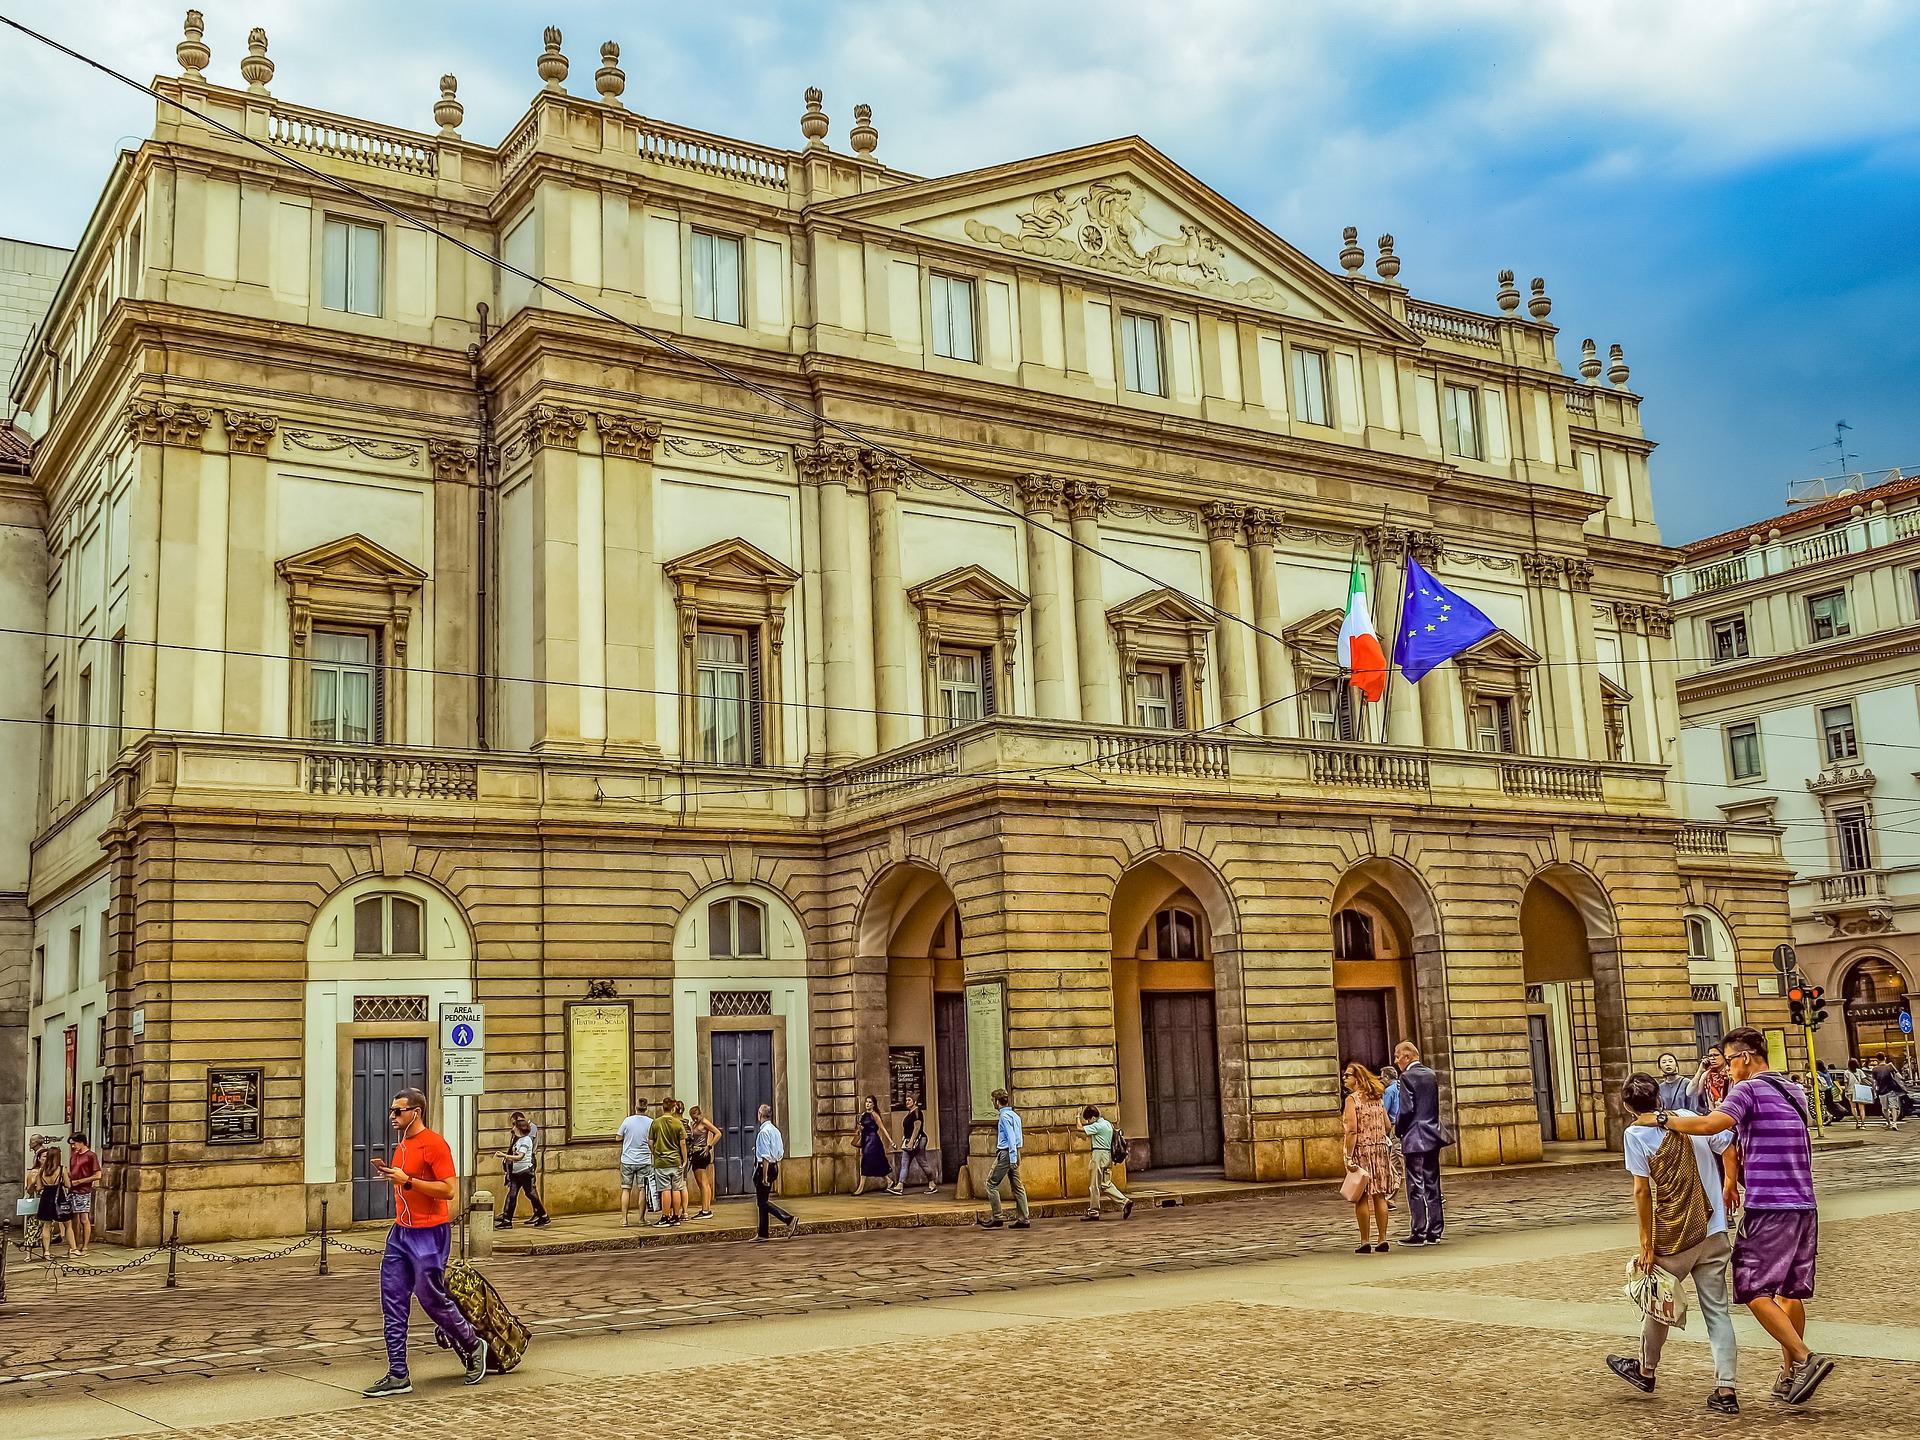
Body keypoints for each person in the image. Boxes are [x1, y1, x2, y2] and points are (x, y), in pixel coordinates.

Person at [1661, 1027, 1833, 1407]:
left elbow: (1710, 1125)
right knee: (1788, 1291)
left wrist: (1663, 1120)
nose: (1727, 1070)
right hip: (1804, 1204)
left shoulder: (1748, 1089)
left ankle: (1805, 1359)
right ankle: (1789, 1376)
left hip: (1769, 1205)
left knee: (1752, 1288)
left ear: (1745, 1057)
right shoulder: (1795, 1091)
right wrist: (1732, 1179)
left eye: (1729, 1061)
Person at [1604, 1071, 1740, 1415]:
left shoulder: (1635, 1135)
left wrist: (1647, 1244)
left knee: (1659, 1301)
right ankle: (1726, 1389)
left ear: (1626, 1106)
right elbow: (1728, 1146)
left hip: (1675, 1234)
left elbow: (1641, 1191)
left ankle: (1646, 1370)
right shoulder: (1692, 1118)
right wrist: (1728, 1186)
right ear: (1659, 1099)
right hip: (1714, 1229)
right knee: (1718, 1312)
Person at [362, 1088, 487, 1397]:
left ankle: (473, 1344)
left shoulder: (435, 1144)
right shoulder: (402, 1145)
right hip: (400, 1233)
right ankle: (398, 1374)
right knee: (392, 1302)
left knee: (431, 1299)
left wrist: (407, 1180)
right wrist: (392, 1176)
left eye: (397, 1111)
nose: (392, 1116)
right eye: (392, 1111)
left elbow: (448, 1191)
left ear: (415, 1112)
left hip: (429, 1234)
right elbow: (407, 1183)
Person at [1392, 1041, 1446, 1245]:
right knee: (1433, 1183)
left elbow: (1406, 1110)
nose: (1396, 1061)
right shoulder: (1430, 1074)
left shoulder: (1407, 1077)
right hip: (1432, 1134)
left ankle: (1418, 1231)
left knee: (1415, 1185)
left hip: (1415, 1136)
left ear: (1407, 1057)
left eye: (1398, 1057)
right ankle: (1436, 1230)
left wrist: (1398, 1129)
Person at [1341, 1064, 1393, 1253]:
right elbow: (1387, 1124)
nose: (1344, 1079)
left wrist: (1348, 1156)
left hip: (1361, 1151)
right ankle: (1382, 1238)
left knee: (1361, 1197)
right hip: (1379, 1150)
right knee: (1380, 1195)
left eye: (1348, 1075)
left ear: (1358, 1078)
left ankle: (1364, 1240)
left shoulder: (1352, 1100)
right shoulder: (1377, 1098)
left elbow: (1353, 1130)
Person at [977, 1089, 1030, 1230]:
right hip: (1015, 1152)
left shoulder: (1004, 1117)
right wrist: (1016, 1156)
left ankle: (997, 1216)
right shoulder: (1015, 1116)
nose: (992, 1103)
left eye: (992, 1100)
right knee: (1017, 1187)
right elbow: (1018, 1138)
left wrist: (1012, 1159)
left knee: (991, 1184)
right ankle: (1024, 1218)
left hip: (1007, 1153)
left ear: (997, 1101)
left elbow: (1011, 1139)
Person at [753, 1103, 799, 1241]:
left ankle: (788, 1219)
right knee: (763, 1200)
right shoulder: (775, 1131)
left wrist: (765, 1176)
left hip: (764, 1168)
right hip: (775, 1166)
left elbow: (765, 1156)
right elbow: (780, 1152)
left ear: (760, 1115)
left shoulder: (763, 1132)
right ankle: (762, 1233)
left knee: (763, 1202)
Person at [1079, 1104, 1133, 1221]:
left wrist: (1077, 1117)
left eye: (1089, 1120)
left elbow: (1080, 1128)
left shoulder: (1097, 1126)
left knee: (1094, 1185)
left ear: (1093, 1117)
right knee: (1106, 1184)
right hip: (1108, 1155)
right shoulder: (1108, 1124)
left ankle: (1093, 1212)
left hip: (1098, 1155)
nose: (1088, 1122)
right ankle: (1125, 1202)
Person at [496, 1117, 549, 1229]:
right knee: (512, 1194)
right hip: (516, 1172)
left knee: (531, 1194)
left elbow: (520, 1156)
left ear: (520, 1129)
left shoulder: (526, 1140)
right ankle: (507, 1220)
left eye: (515, 1126)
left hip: (525, 1172)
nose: (513, 1128)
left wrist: (504, 1156)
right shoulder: (518, 1139)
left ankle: (543, 1215)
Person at [651, 1095, 688, 1227]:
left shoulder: (656, 1123)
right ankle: (676, 1217)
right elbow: (682, 1143)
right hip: (676, 1160)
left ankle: (665, 1216)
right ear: (673, 1108)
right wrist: (684, 1159)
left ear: (663, 1108)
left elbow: (651, 1142)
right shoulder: (678, 1123)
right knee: (676, 1189)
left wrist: (655, 1153)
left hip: (662, 1161)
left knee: (665, 1189)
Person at [616, 1098, 653, 1227]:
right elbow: (652, 1141)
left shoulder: (628, 1121)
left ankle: (624, 1219)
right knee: (643, 1189)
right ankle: (642, 1219)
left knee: (626, 1190)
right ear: (646, 1108)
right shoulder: (650, 1122)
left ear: (636, 1107)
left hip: (627, 1159)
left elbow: (618, 1136)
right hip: (644, 1160)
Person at [25, 1144, 66, 1261]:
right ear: (38, 1158)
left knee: (47, 1227)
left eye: (47, 1156)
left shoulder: (51, 1171)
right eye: (44, 1157)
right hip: (37, 1201)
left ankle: (46, 1251)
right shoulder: (35, 1172)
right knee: (33, 1227)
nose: (46, 1159)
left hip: (47, 1201)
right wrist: (34, 1182)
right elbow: (30, 1190)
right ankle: (29, 1254)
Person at [891, 1093, 937, 1195]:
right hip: (908, 1141)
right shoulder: (910, 1112)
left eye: (909, 1100)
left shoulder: (917, 1112)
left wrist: (911, 1141)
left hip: (918, 1141)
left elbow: (917, 1128)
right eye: (906, 1100)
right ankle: (900, 1185)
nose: (907, 1102)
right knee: (904, 1163)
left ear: (914, 1102)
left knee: (922, 1162)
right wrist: (905, 1139)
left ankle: (932, 1183)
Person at [64, 1132, 100, 1255]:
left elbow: (97, 1175)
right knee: (74, 1218)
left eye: (74, 1143)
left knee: (84, 1218)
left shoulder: (91, 1156)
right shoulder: (74, 1156)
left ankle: (85, 1245)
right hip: (72, 1190)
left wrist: (81, 1181)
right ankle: (76, 1243)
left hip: (83, 1190)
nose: (73, 1146)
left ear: (81, 1142)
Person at [854, 1095, 895, 1195]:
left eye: (870, 1102)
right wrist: (859, 1130)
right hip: (865, 1140)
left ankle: (861, 1187)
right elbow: (859, 1129)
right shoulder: (863, 1115)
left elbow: (882, 1128)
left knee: (865, 1162)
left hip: (873, 1141)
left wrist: (891, 1141)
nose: (867, 1104)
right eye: (867, 1102)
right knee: (877, 1162)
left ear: (873, 1104)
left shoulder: (875, 1115)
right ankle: (889, 1181)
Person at [686, 1105, 720, 1218]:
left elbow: (718, 1133)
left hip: (701, 1153)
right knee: (701, 1183)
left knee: (703, 1183)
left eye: (696, 1117)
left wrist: (709, 1146)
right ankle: (705, 1208)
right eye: (692, 1118)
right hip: (696, 1153)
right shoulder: (695, 1124)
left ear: (700, 1114)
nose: (694, 1119)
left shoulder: (704, 1122)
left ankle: (706, 1210)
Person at [1692, 1046, 1729, 1111]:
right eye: (1710, 1056)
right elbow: (1691, 1093)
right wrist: (1699, 1071)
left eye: (1716, 1055)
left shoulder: (1730, 1073)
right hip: (1713, 1113)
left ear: (1724, 1056)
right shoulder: (1707, 1075)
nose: (1712, 1058)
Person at [1870, 1058, 1904, 1129]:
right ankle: (1894, 1123)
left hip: (1881, 1091)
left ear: (1877, 1059)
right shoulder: (1890, 1066)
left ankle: (1889, 1122)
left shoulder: (1875, 1069)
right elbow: (1900, 1076)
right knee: (1893, 1106)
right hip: (1891, 1089)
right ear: (1885, 1058)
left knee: (1885, 1108)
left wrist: (1874, 1092)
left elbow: (1874, 1082)